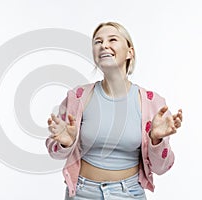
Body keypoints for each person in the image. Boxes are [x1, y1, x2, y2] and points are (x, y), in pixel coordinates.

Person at [46, 22, 183, 200]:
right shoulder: (77, 97)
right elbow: (54, 151)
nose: (103, 45)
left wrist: (156, 140)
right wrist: (66, 143)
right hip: (81, 193)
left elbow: (162, 167)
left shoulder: (152, 103)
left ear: (129, 52)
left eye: (112, 39)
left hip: (129, 193)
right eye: (97, 41)